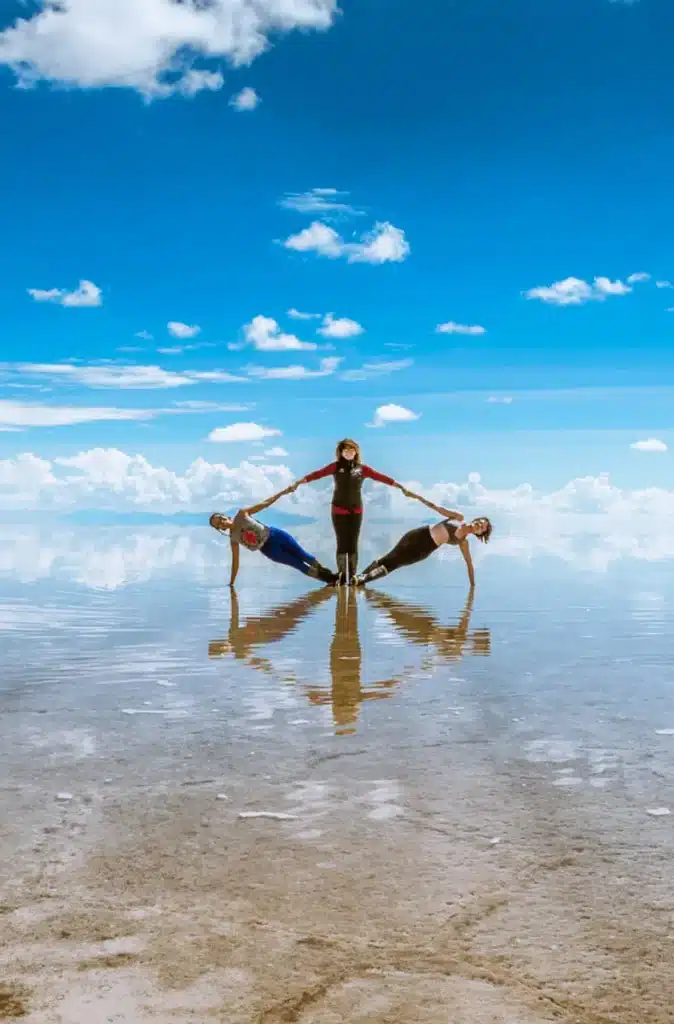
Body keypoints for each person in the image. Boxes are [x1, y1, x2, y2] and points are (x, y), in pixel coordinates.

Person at [296, 438, 403, 584]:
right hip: (338, 510)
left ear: (356, 452)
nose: (349, 452)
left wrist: (396, 484)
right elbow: (319, 473)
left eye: (352, 450)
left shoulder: (362, 469)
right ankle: (342, 575)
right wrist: (303, 480)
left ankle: (352, 576)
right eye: (346, 450)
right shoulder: (335, 466)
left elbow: (378, 476)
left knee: (353, 542)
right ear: (341, 452)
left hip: (356, 511)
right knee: (342, 542)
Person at [354, 488, 492, 588]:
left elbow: (469, 564)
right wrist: (416, 496)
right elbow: (437, 508)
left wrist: (473, 586)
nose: (479, 526)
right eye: (480, 523)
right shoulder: (458, 517)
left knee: (394, 564)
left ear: (479, 534)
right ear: (476, 519)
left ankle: (361, 580)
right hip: (418, 534)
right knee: (388, 558)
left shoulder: (463, 542)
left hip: (424, 550)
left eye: (481, 528)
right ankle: (358, 578)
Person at [209, 483, 338, 586]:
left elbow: (265, 504)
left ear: (225, 516)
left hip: (276, 535)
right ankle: (329, 580)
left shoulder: (242, 514)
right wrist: (232, 583)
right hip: (269, 550)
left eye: (220, 518)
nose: (222, 522)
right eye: (218, 524)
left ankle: (330, 574)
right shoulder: (233, 539)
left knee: (303, 555)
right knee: (298, 564)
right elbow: (235, 562)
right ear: (220, 529)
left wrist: (283, 492)